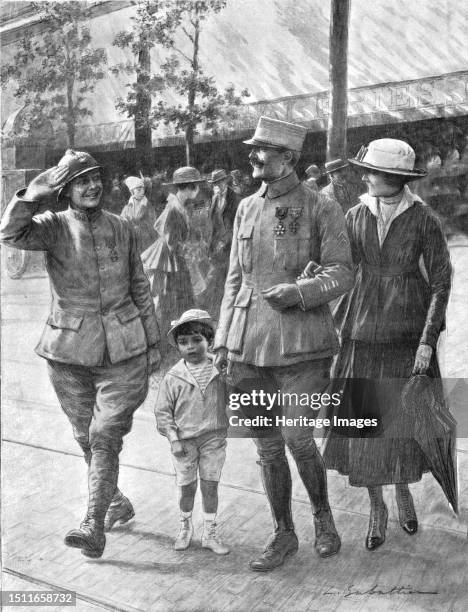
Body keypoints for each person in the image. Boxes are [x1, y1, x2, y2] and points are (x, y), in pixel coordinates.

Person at [0, 149, 161, 559]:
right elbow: (9, 233)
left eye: (95, 178)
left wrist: (154, 342)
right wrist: (31, 195)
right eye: (80, 180)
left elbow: (140, 285)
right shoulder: (52, 226)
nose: (91, 186)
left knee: (104, 435)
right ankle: (115, 500)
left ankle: (92, 522)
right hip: (68, 351)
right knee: (83, 435)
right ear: (65, 189)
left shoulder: (122, 226)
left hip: (124, 350)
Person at [214, 116, 354, 571]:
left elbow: (342, 272)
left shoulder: (321, 207)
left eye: (262, 150)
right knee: (267, 446)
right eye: (252, 149)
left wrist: (299, 292)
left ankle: (324, 519)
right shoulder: (246, 207)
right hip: (248, 347)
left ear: (289, 157)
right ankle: (283, 534)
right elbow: (235, 278)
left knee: (297, 437)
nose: (253, 156)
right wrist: (221, 340)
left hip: (302, 347)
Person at [323, 138, 452, 550]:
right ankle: (376, 506)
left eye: (373, 171)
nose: (366, 176)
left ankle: (402, 491)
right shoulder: (356, 213)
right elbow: (343, 266)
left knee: (401, 425)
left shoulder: (423, 219)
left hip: (405, 335)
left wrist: (428, 341)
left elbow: (441, 283)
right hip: (361, 333)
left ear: (395, 178)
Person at [155, 309, 230, 555]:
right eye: (183, 342)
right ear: (177, 346)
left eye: (197, 340)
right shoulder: (174, 377)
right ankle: (185, 526)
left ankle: (209, 531)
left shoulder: (220, 371)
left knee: (210, 485)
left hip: (214, 438)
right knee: (187, 487)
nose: (190, 347)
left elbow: (236, 397)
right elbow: (163, 413)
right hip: (185, 442)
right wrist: (173, 439)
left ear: (209, 340)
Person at [141, 167, 204, 354]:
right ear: (188, 188)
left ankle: (180, 341)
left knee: (182, 298)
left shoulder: (179, 205)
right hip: (170, 261)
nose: (198, 190)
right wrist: (188, 250)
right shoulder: (173, 208)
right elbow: (170, 241)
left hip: (177, 258)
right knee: (171, 300)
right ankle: (164, 346)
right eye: (196, 186)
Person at [202, 169, 241, 320]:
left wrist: (224, 242)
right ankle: (218, 313)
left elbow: (236, 226)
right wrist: (210, 242)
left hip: (229, 246)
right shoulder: (214, 198)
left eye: (218, 183)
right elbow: (212, 223)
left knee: (228, 280)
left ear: (225, 182)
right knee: (217, 281)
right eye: (214, 184)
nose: (216, 186)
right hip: (216, 247)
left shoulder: (236, 199)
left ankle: (228, 314)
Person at [121, 176, 156, 252]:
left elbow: (153, 225)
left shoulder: (147, 206)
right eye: (139, 190)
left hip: (146, 241)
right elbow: (122, 224)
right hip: (132, 242)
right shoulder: (127, 207)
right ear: (132, 191)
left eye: (143, 189)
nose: (142, 192)